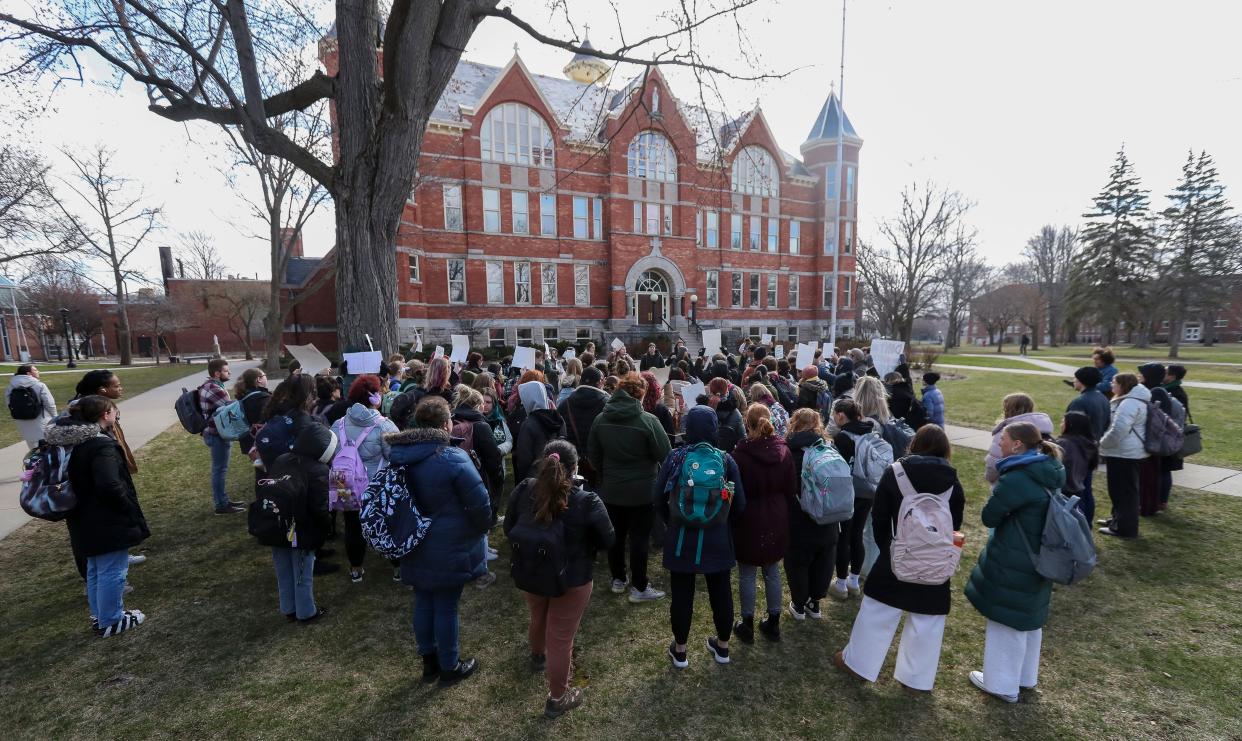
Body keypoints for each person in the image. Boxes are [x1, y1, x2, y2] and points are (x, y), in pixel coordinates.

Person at [834, 424, 965, 692]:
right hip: (935, 561)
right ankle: (916, 679)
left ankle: (858, 664)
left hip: (897, 553)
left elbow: (879, 517)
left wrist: (891, 549)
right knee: (928, 620)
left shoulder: (895, 473)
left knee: (876, 612)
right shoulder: (953, 482)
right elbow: (954, 524)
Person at [504, 440, 614, 718]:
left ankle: (538, 654)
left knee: (538, 615)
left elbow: (508, 526)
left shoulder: (524, 489)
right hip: (573, 578)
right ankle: (558, 697)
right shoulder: (587, 500)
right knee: (561, 638)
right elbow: (607, 539)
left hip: (531, 569)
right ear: (575, 467)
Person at [390, 397, 492, 686]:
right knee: (446, 604)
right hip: (448, 543)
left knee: (423, 599)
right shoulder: (452, 457)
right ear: (446, 423)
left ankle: (429, 662)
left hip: (412, 537)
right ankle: (449, 665)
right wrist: (483, 529)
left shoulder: (400, 454)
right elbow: (480, 503)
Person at [965, 421, 1065, 703]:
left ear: (1018, 444)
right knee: (1029, 617)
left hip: (1015, 555)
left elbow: (989, 516)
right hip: (1039, 553)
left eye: (1004, 439)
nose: (1000, 444)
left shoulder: (1018, 477)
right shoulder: (1048, 468)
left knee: (1005, 617)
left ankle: (1001, 683)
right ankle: (1024, 677)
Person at [47, 396, 149, 637]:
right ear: (105, 414)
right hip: (105, 517)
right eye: (114, 411)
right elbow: (109, 485)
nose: (116, 415)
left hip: (81, 515)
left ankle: (100, 614)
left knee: (95, 568)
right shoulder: (100, 445)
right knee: (113, 570)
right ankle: (111, 620)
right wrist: (125, 506)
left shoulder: (70, 442)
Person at [654, 406, 746, 668]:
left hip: (682, 537)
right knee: (721, 591)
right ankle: (723, 647)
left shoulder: (675, 457)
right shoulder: (726, 460)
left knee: (682, 593)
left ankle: (680, 650)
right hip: (716, 537)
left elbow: (657, 497)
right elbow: (740, 504)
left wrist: (671, 520)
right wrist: (724, 523)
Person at [587, 372, 672, 604]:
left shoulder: (600, 420)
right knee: (639, 538)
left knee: (616, 534)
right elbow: (665, 455)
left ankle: (618, 578)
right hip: (642, 491)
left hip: (612, 489)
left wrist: (605, 475)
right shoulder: (647, 421)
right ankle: (639, 586)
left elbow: (593, 454)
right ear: (640, 394)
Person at [259, 424, 338, 623]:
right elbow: (320, 506)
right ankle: (306, 611)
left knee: (283, 568)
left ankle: (289, 608)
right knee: (303, 571)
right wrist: (326, 527)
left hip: (276, 524)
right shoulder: (318, 470)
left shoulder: (282, 459)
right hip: (302, 528)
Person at [729, 403, 794, 643]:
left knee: (747, 571)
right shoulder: (783, 451)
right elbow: (790, 488)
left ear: (747, 423)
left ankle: (747, 623)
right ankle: (773, 621)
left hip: (750, 515)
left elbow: (734, 491)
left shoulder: (739, 455)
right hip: (775, 513)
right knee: (771, 569)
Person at [335, 375, 399, 583]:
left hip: (344, 482)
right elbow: (394, 455)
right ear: (375, 397)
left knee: (352, 526)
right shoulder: (384, 425)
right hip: (376, 484)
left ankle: (356, 569)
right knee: (387, 523)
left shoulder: (339, 424)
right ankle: (398, 568)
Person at [783, 409, 840, 620]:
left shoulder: (790, 451)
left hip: (800, 517)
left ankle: (799, 604)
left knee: (798, 561)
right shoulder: (829, 448)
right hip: (829, 514)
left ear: (794, 424)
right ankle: (814, 603)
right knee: (823, 560)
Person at [829, 397, 880, 601]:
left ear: (841, 415)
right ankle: (854, 580)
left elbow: (838, 468)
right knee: (857, 534)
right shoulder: (870, 431)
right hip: (868, 490)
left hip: (849, 490)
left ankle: (841, 584)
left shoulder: (843, 437)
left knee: (844, 537)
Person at [1098, 373, 1149, 538]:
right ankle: (1117, 519)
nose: (1111, 385)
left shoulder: (1129, 403)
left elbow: (1118, 430)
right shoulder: (1130, 399)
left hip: (1124, 453)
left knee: (1125, 493)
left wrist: (1102, 443)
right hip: (1125, 452)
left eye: (1114, 382)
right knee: (1119, 491)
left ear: (1123, 385)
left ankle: (1124, 529)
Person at [198, 358, 241, 514]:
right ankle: (221, 505)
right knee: (219, 469)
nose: (229, 372)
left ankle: (223, 500)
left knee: (220, 469)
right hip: (217, 434)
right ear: (217, 373)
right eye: (226, 370)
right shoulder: (215, 388)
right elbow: (232, 409)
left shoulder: (211, 385)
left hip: (214, 433)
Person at [1137, 363, 1178, 515]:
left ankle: (1152, 503)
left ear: (1150, 376)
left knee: (1153, 474)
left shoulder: (1156, 392)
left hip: (1155, 441)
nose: (1139, 377)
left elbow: (1153, 419)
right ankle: (1151, 503)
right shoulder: (1155, 390)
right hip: (1154, 440)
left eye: (1141, 374)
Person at [984, 393, 1053, 484]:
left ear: (1008, 410)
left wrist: (990, 477)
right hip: (1037, 483)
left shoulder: (1006, 432)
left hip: (1009, 483)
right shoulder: (1042, 428)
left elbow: (994, 461)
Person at [558, 366, 608, 488]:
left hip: (571, 460)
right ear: (600, 382)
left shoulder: (566, 403)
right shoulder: (607, 404)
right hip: (597, 462)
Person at [1056, 411, 1100, 522]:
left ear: (1070, 425)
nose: (1061, 425)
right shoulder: (1089, 444)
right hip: (1078, 488)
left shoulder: (1064, 444)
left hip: (1064, 490)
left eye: (1063, 422)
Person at [7, 364, 57, 449]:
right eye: (35, 370)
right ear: (29, 373)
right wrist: (55, 417)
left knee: (33, 449)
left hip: (22, 422)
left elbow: (9, 403)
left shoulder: (10, 387)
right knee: (49, 448)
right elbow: (49, 403)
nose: (38, 372)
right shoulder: (40, 385)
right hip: (41, 420)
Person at [231, 368, 272, 464]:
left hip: (250, 442)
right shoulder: (262, 398)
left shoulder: (244, 396)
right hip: (264, 441)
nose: (266, 378)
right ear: (259, 379)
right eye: (264, 375)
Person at [1066, 366, 1110, 442]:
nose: (1073, 381)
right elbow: (1106, 424)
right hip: (1094, 446)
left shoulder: (1079, 402)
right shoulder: (1103, 398)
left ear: (1082, 381)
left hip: (1080, 448)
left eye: (1075, 378)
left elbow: (1069, 428)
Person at [706, 378, 746, 453]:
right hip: (728, 455)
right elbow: (743, 439)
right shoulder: (736, 413)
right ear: (727, 392)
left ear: (710, 392)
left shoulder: (703, 411)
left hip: (707, 454)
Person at [640, 370, 676, 437]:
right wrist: (667, 386)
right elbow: (670, 438)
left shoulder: (632, 409)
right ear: (656, 388)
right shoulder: (661, 410)